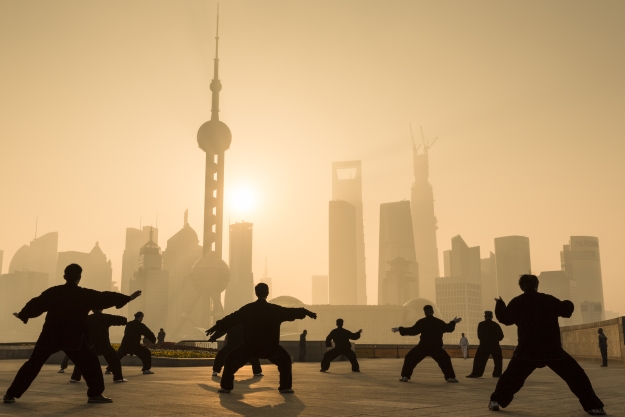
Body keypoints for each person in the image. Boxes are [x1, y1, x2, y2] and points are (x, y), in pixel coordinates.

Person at [3, 264, 141, 404]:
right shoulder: (83, 294)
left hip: (50, 336)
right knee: (91, 362)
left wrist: (23, 314)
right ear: (79, 277)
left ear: (65, 277)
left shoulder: (54, 292)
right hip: (72, 338)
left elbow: (36, 303)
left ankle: (10, 394)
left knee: (32, 365)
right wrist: (127, 298)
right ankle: (95, 394)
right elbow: (104, 297)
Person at [488, 274, 605, 415]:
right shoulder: (548, 299)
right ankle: (593, 406)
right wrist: (568, 302)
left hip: (527, 350)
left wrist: (500, 303)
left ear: (522, 287)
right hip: (551, 349)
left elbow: (504, 318)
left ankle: (496, 401)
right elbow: (566, 311)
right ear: (537, 285)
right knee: (576, 376)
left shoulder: (518, 302)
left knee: (511, 378)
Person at [206, 283, 317, 394]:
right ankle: (285, 387)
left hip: (250, 347)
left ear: (256, 293)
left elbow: (230, 319)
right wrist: (306, 312)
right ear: (267, 293)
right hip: (270, 348)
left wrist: (215, 327)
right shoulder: (274, 310)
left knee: (230, 359)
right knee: (286, 360)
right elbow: (291, 312)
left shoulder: (248, 309)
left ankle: (226, 387)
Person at [392, 305, 461, 383]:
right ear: (433, 311)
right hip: (436, 347)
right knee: (446, 360)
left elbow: (412, 331)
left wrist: (399, 329)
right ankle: (450, 377)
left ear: (425, 313)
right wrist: (454, 321)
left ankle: (405, 376)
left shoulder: (422, 322)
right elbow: (449, 328)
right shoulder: (438, 322)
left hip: (423, 347)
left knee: (409, 358)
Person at [70, 309, 127, 383]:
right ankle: (118, 377)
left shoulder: (87, 318)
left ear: (92, 310)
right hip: (104, 345)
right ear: (102, 309)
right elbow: (122, 320)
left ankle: (75, 377)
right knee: (114, 360)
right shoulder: (105, 317)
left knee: (82, 360)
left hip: (91, 345)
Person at [466, 311, 504, 378]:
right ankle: (497, 373)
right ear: (492, 317)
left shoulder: (481, 324)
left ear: (485, 317)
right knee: (498, 360)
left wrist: (485, 340)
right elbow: (501, 336)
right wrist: (495, 340)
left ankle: (476, 373)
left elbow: (479, 336)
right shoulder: (496, 325)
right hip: (495, 345)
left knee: (479, 360)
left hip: (484, 345)